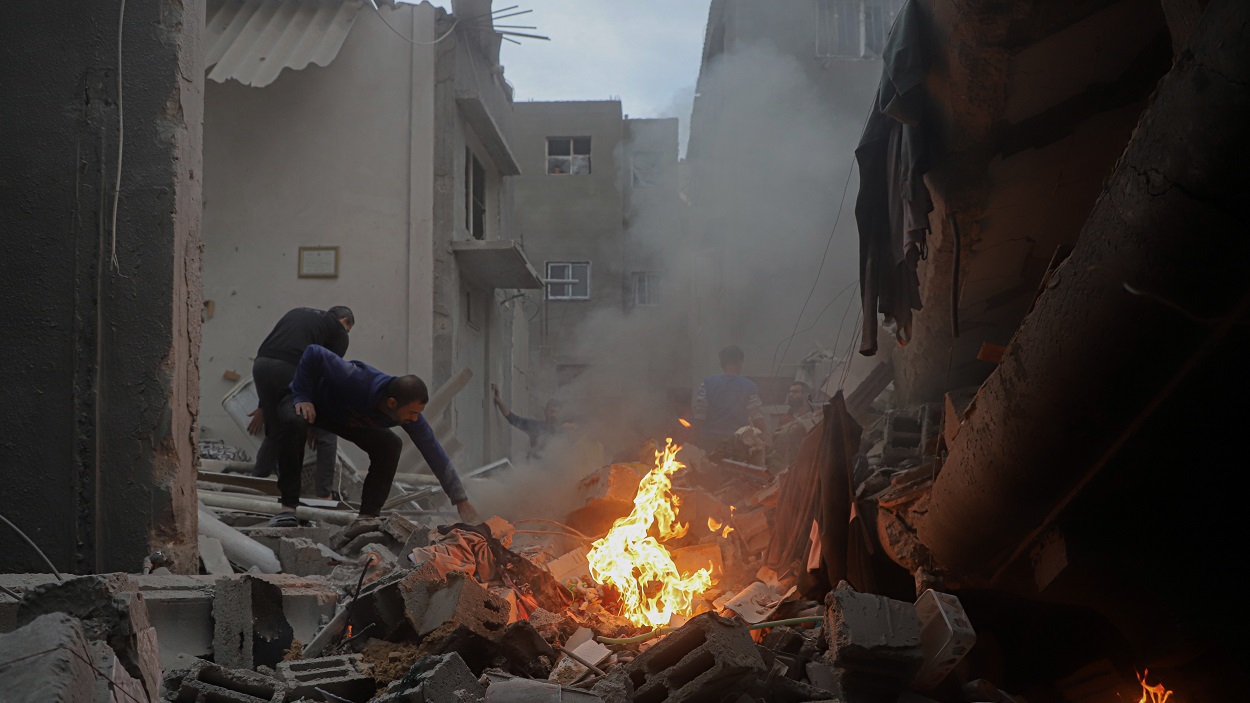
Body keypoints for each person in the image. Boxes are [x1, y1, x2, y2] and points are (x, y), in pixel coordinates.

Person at [268, 345, 479, 528]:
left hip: (342, 419)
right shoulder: (356, 378)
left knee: (390, 445)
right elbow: (314, 353)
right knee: (294, 422)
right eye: (412, 412)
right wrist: (303, 395)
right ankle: (288, 508)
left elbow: (434, 452)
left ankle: (367, 518)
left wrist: (460, 499)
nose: (415, 419)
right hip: (309, 404)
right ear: (392, 403)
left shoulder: (410, 417)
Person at [249, 306, 354, 501]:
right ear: (344, 322)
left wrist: (263, 406)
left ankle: (256, 485)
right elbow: (327, 374)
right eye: (348, 330)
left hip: (261, 366)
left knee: (275, 430)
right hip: (291, 367)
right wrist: (314, 422)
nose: (346, 334)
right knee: (327, 435)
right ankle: (324, 494)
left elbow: (277, 354)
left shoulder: (299, 312)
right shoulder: (339, 331)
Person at [691, 345, 769, 450]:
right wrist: (767, 439)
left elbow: (699, 415)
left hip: (710, 442)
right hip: (737, 444)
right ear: (740, 362)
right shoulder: (749, 386)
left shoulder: (707, 383)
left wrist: (694, 441)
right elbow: (756, 416)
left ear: (721, 363)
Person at [491, 383, 563, 461]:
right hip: (533, 468)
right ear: (545, 412)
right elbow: (513, 419)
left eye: (556, 412)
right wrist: (499, 402)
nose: (553, 415)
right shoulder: (534, 425)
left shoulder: (562, 434)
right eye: (551, 411)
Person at [770, 381, 820, 468]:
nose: (790, 394)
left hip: (808, 464)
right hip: (787, 466)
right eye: (790, 392)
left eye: (795, 392)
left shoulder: (816, 415)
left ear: (806, 395)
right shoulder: (785, 418)